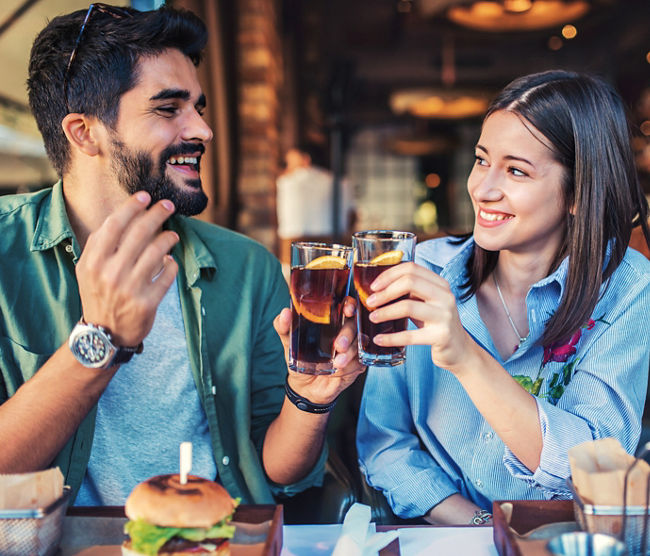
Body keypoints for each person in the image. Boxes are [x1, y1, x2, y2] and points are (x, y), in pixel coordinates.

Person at [0, 4, 364, 506]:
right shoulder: (4, 252)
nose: (202, 131)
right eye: (168, 109)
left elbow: (279, 473)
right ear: (84, 133)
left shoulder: (247, 268)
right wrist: (100, 340)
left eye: (199, 107)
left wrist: (310, 398)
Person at [357, 70, 650, 525]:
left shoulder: (629, 288)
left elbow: (594, 466)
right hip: (444, 540)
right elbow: (385, 443)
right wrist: (479, 528)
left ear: (578, 193)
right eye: (481, 160)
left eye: (516, 170)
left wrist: (465, 357)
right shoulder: (422, 272)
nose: (483, 189)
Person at [276, 145, 356, 267]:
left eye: (290, 162)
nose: (288, 166)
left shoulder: (287, 181)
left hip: (294, 241)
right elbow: (351, 216)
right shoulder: (342, 183)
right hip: (335, 241)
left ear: (306, 159)